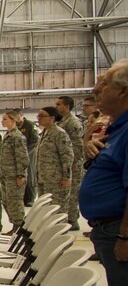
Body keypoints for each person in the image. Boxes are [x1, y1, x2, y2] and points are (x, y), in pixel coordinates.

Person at [80, 60, 128, 286]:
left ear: (123, 91)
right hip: (107, 227)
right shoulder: (115, 127)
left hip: (118, 228)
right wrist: (89, 147)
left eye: (105, 85)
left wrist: (125, 236)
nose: (97, 90)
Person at [35, 106, 74, 213]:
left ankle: (60, 230)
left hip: (56, 179)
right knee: (45, 210)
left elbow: (67, 156)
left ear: (52, 118)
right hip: (44, 178)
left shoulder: (59, 133)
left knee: (57, 209)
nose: (38, 118)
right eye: (38, 116)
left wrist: (66, 178)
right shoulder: (44, 133)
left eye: (42, 116)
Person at [56, 96, 85, 230]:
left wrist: (73, 164)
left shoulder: (72, 123)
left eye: (59, 104)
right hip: (65, 164)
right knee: (65, 194)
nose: (56, 106)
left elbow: (78, 145)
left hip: (73, 165)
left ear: (67, 106)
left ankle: (72, 221)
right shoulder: (62, 121)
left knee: (72, 194)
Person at [0, 110, 30, 234]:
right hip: (6, 174)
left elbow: (22, 158)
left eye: (5, 119)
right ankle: (15, 225)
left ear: (13, 121)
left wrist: (20, 175)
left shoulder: (18, 137)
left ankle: (19, 227)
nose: (2, 121)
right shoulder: (7, 135)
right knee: (7, 201)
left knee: (15, 202)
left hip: (14, 175)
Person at [18, 111, 40, 206]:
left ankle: (30, 198)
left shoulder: (29, 125)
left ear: (22, 116)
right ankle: (24, 197)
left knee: (30, 174)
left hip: (30, 152)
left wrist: (26, 151)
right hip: (20, 154)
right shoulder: (17, 126)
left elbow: (36, 140)